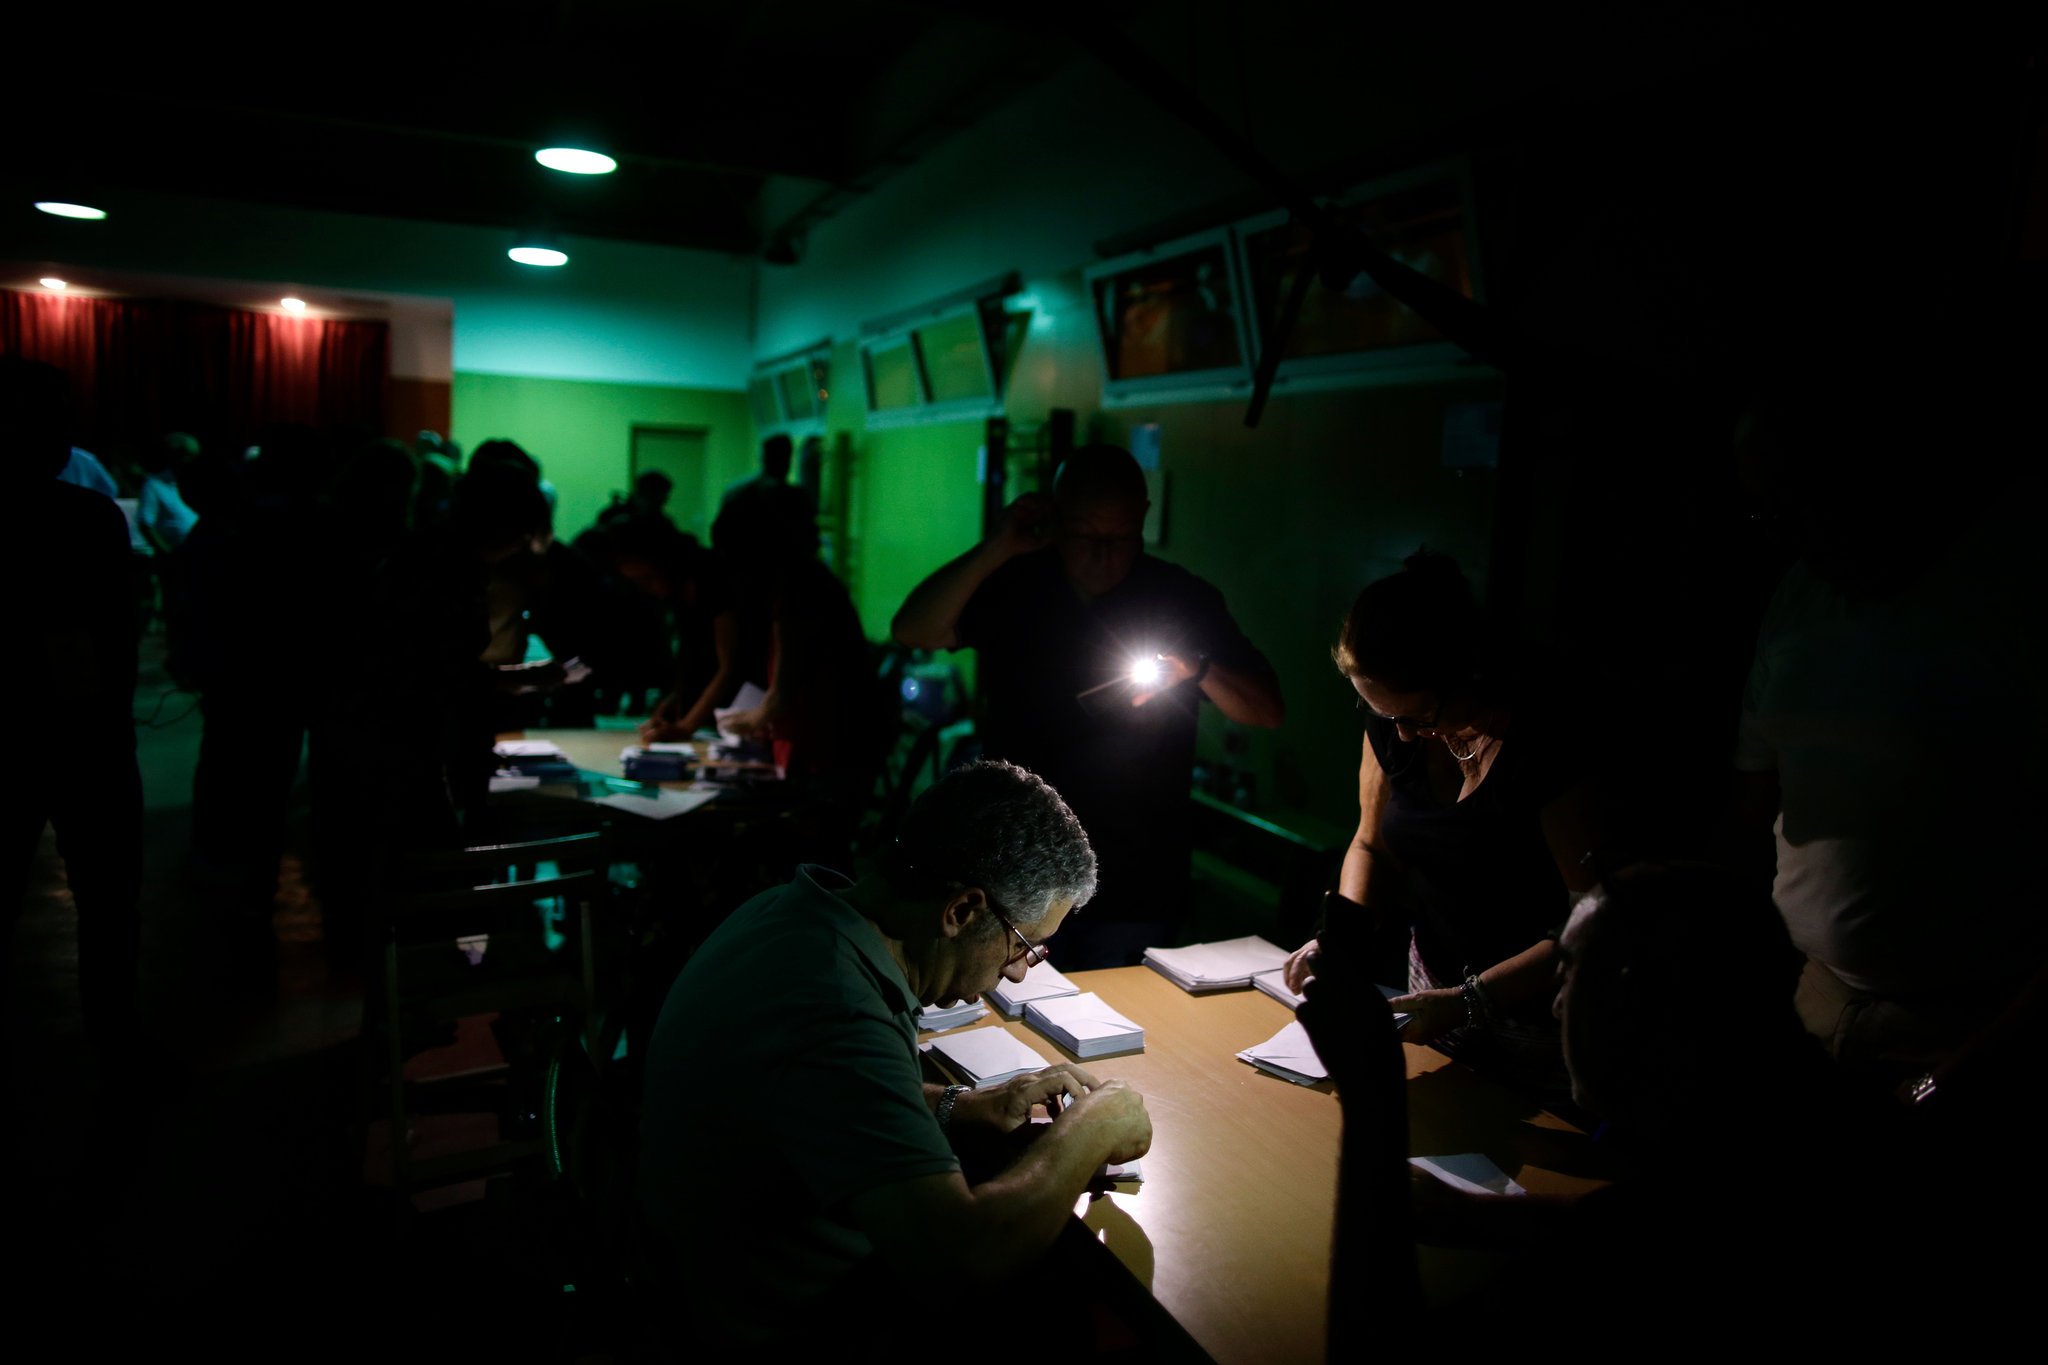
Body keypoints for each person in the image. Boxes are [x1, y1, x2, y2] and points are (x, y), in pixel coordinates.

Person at [639, 759, 1152, 1348]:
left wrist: (959, 1105)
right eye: (1024, 945)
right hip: (785, 1321)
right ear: (961, 910)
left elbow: (820, 1096)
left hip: (709, 1270)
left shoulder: (790, 914)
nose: (1015, 974)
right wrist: (1089, 1129)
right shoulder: (834, 1005)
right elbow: (960, 1267)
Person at [1387, 862, 1935, 1336]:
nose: (1555, 1006)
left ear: (1634, 1000)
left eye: (1572, 975)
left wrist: (1372, 1106)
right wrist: (1488, 1217)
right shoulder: (1818, 1112)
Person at [893, 444, 1283, 967]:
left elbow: (1267, 710)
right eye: (1085, 536)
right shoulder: (1017, 584)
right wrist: (997, 547)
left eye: (1120, 537)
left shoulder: (1181, 598)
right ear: (1055, 521)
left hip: (1134, 877)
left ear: (1143, 516)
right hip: (1012, 872)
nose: (1104, 555)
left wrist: (1200, 668)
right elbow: (912, 628)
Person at [1282, 551, 1601, 1096]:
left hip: (1543, 1012)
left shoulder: (1546, 743)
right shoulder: (1392, 723)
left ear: (1466, 677)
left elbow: (1591, 919)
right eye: (1383, 716)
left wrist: (1472, 1000)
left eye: (1416, 718)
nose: (1400, 736)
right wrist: (1339, 941)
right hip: (1433, 992)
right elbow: (1371, 843)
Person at [3, 358, 144, 1055]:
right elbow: (119, 628)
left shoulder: (87, 515)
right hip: (87, 736)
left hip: (62, 729)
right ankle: (116, 1044)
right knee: (109, 902)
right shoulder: (86, 519)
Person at [712, 431, 815, 571]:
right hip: (782, 574)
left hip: (742, 571)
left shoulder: (737, 492)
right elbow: (808, 541)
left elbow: (719, 535)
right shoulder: (795, 497)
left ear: (763, 457)